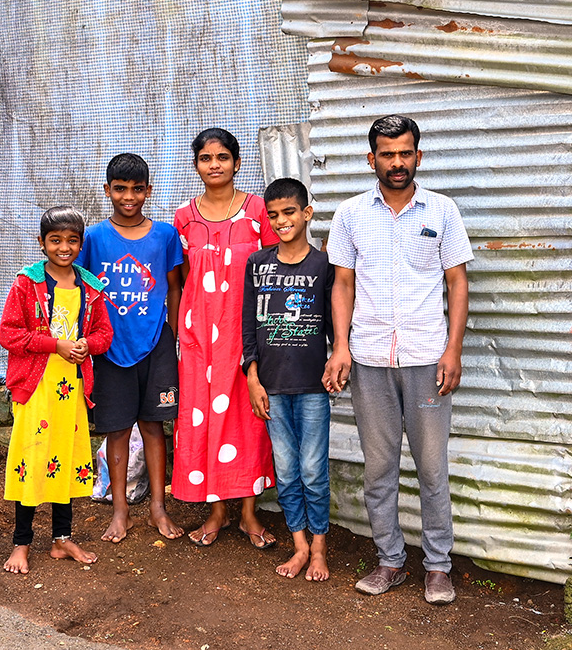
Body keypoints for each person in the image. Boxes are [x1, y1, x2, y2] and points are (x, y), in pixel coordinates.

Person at [323, 115, 472, 605]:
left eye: (405, 153)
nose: (397, 163)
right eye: (387, 154)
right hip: (368, 359)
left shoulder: (443, 211)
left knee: (432, 468)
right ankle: (390, 561)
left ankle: (437, 567)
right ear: (372, 160)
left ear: (418, 157)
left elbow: (457, 282)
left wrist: (453, 350)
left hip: (428, 358)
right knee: (379, 468)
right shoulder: (349, 214)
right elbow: (342, 283)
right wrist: (340, 346)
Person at [173, 128, 280, 548]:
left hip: (248, 333)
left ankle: (250, 514)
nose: (214, 165)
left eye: (222, 157)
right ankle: (216, 511)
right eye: (205, 158)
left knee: (250, 419)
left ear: (237, 163)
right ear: (196, 164)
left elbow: (276, 269)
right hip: (199, 338)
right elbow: (181, 279)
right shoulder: (183, 217)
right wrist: (181, 330)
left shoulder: (258, 212)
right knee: (203, 421)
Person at [77, 153, 184, 544]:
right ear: (107, 191)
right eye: (120, 189)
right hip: (109, 346)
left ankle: (158, 506)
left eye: (137, 189)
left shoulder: (165, 236)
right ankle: (120, 509)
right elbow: (83, 289)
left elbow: (174, 286)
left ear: (148, 191)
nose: (129, 197)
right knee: (118, 430)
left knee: (154, 426)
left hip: (155, 344)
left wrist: (172, 336)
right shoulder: (92, 239)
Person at [0, 205, 113, 574]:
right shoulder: (26, 284)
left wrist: (86, 346)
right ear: (42, 243)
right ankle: (21, 543)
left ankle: (62, 539)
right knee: (33, 459)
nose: (64, 247)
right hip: (36, 389)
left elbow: (103, 335)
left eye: (72, 240)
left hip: (72, 391)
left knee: (63, 460)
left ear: (81, 243)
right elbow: (9, 334)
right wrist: (55, 345)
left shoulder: (90, 287)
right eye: (55, 240)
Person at [242, 177, 335, 581]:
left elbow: (336, 324)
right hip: (271, 388)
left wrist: (340, 360)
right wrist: (252, 376)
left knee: (313, 469)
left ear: (306, 213)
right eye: (274, 215)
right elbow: (249, 325)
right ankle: (298, 545)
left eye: (290, 213)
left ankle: (319, 549)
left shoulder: (324, 266)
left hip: (313, 386)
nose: (282, 221)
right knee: (285, 469)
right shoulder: (257, 264)